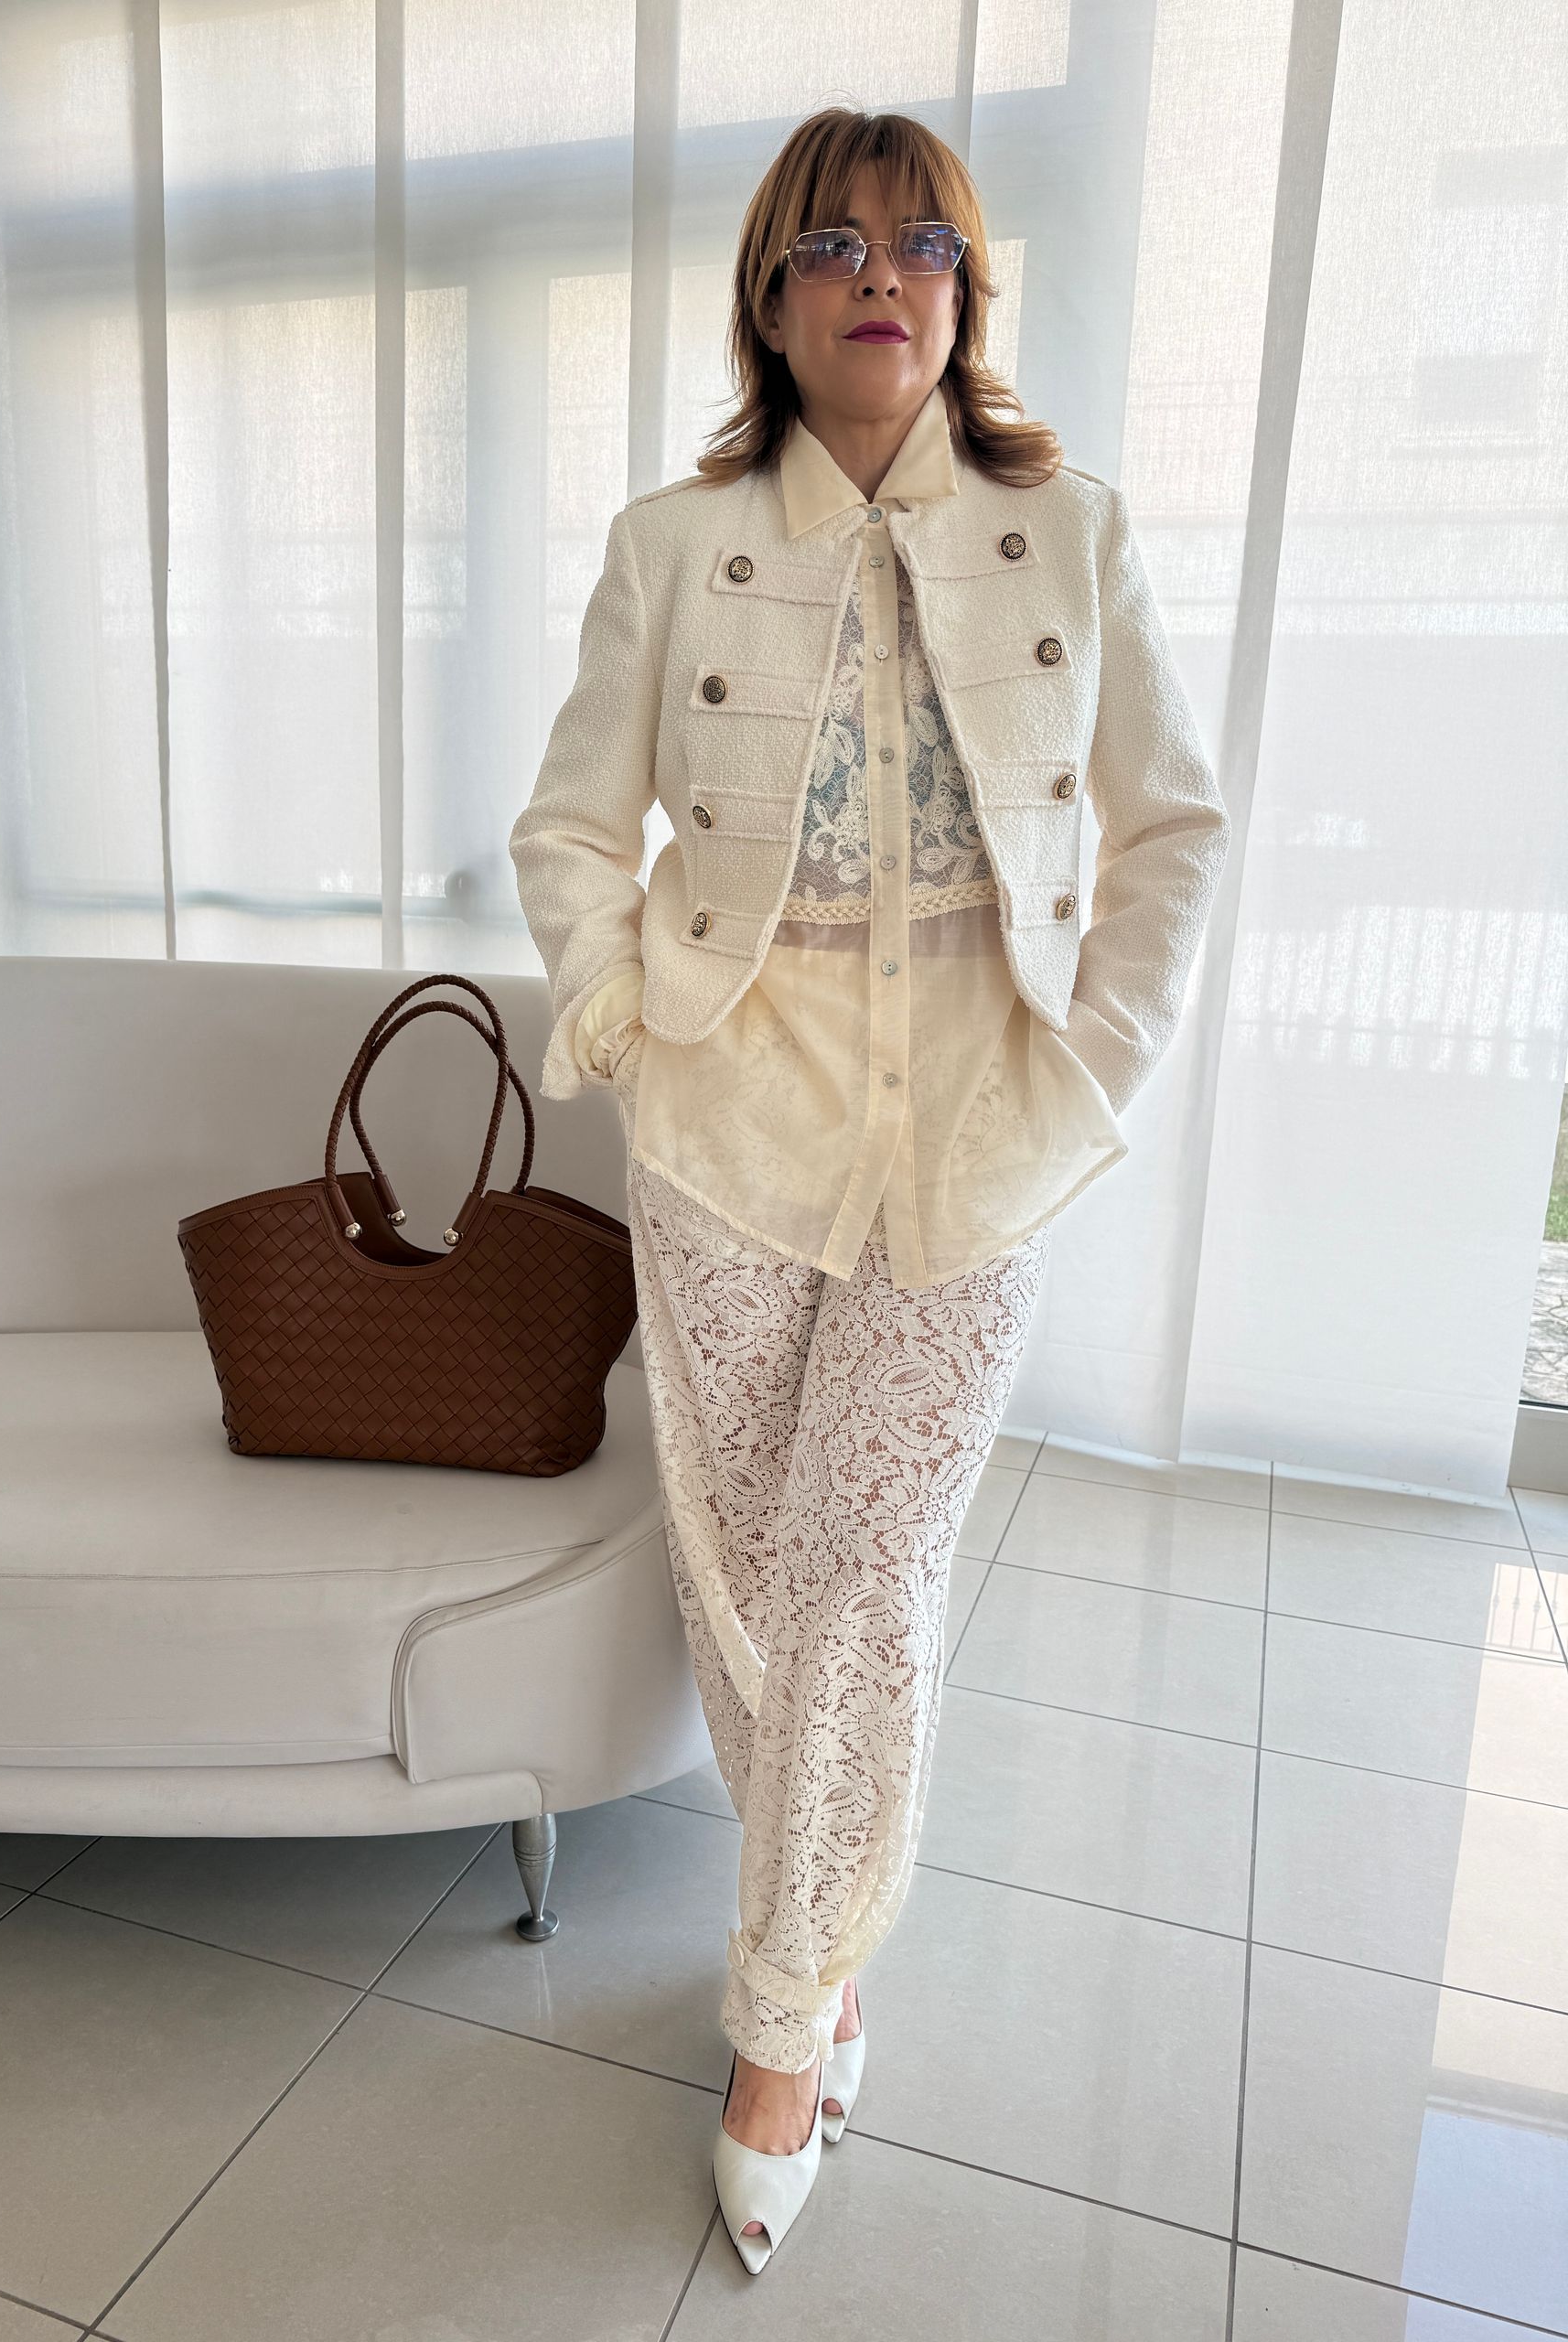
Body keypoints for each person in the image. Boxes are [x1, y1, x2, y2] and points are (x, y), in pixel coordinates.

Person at [508, 104, 1230, 2275]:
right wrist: (622, 1020)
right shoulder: (674, 544)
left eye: (922, 242)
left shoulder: (1067, 532)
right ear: (772, 294)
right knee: (746, 1570)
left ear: (967, 288)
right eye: (832, 244)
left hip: (981, 1128)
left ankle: (772, 2027)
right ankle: (828, 1947)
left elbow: (1172, 828)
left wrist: (1093, 1062)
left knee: (863, 1563)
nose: (880, 277)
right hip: (730, 1121)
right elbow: (571, 828)